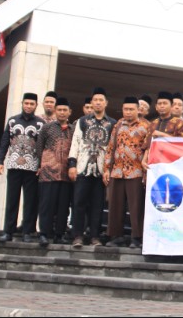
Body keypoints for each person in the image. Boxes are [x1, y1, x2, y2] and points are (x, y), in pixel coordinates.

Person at [67, 87, 115, 248]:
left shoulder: (112, 123)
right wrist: (72, 164)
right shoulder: (82, 121)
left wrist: (109, 169)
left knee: (97, 204)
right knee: (79, 203)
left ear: (106, 103)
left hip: (101, 170)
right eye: (95, 100)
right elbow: (75, 143)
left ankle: (95, 235)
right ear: (91, 103)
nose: (98, 103)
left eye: (101, 100)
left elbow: (112, 148)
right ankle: (78, 235)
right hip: (83, 167)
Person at [0, 92, 44, 244]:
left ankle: (27, 232)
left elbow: (43, 147)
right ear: (22, 103)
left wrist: (42, 165)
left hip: (32, 167)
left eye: (31, 104)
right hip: (15, 165)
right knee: (12, 199)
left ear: (36, 105)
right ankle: (8, 231)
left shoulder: (40, 124)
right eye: (26, 103)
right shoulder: (12, 121)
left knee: (30, 201)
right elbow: (4, 142)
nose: (28, 106)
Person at [104, 96, 152, 248]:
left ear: (138, 110)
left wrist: (145, 173)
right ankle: (116, 236)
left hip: (136, 172)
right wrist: (106, 169)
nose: (128, 112)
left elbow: (149, 150)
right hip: (117, 171)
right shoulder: (118, 124)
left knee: (136, 206)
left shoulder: (146, 126)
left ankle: (136, 237)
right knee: (115, 205)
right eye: (126, 109)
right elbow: (111, 147)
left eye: (131, 109)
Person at [36, 96, 75, 245]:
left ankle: (59, 234)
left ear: (70, 112)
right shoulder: (47, 128)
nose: (62, 113)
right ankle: (44, 233)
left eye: (65, 110)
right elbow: (39, 147)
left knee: (63, 206)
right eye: (59, 110)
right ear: (55, 111)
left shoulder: (73, 130)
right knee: (47, 205)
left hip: (66, 174)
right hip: (48, 173)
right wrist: (44, 163)